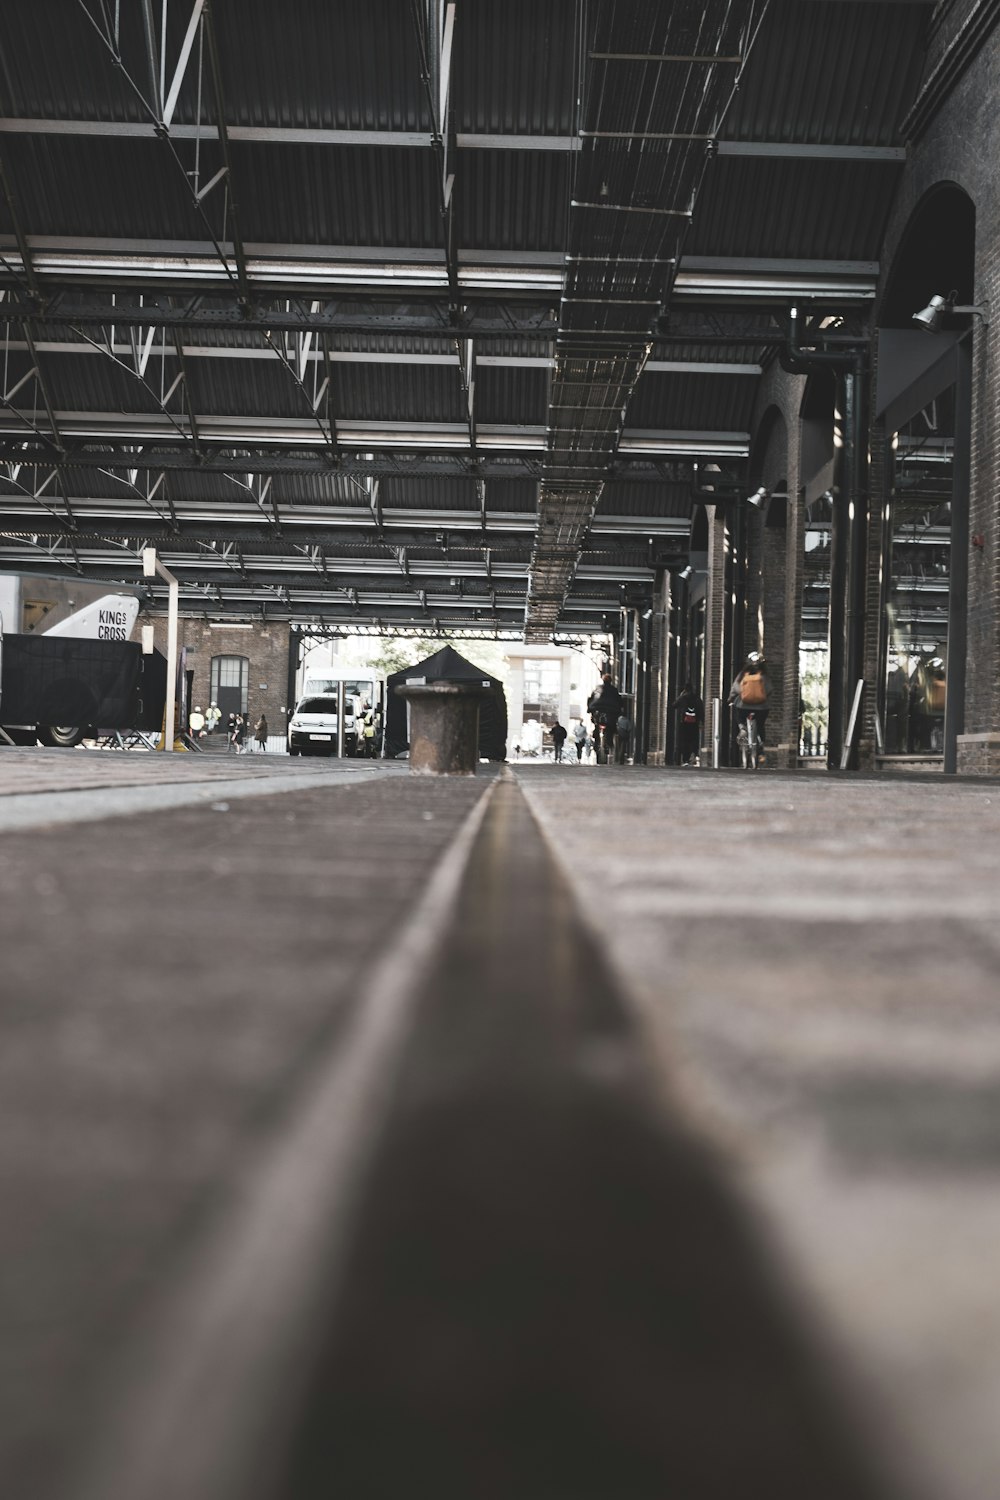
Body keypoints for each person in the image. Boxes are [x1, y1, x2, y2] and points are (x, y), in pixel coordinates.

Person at [728, 651, 772, 756]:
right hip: (762, 707)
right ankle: (761, 743)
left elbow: (735, 687)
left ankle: (742, 728)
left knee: (736, 708)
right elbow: (770, 689)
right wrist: (763, 695)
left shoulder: (743, 674)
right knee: (761, 725)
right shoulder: (764, 674)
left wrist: (733, 697)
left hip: (744, 705)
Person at [587, 672, 624, 763]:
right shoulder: (614, 690)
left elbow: (591, 699)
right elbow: (619, 701)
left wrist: (589, 709)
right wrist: (620, 709)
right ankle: (609, 743)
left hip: (597, 711)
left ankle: (596, 742)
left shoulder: (597, 688)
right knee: (611, 727)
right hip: (611, 712)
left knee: (596, 724)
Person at [670, 680, 704, 766]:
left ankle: (685, 760)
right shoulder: (697, 698)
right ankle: (695, 755)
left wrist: (680, 696)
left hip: (685, 722)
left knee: (685, 741)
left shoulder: (683, 697)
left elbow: (674, 705)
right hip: (694, 723)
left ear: (685, 689)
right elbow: (701, 710)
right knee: (694, 739)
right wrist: (701, 721)